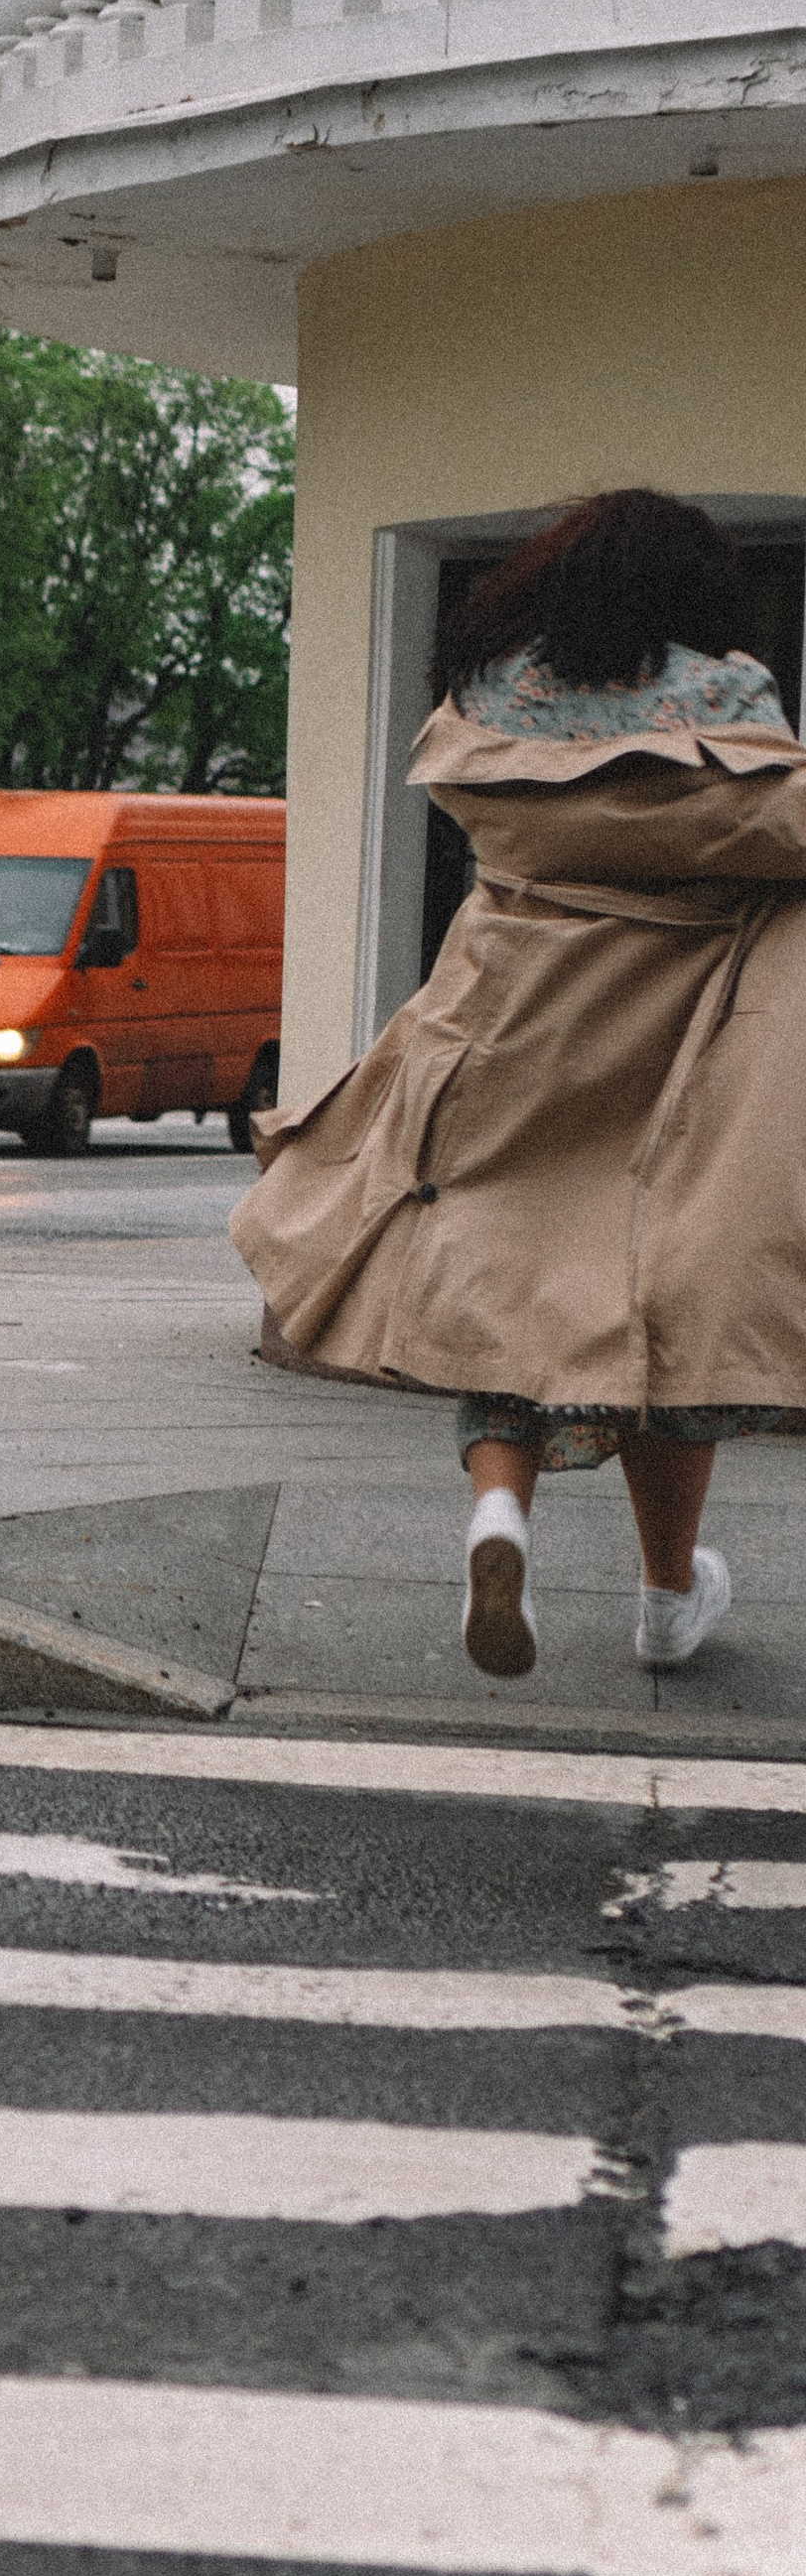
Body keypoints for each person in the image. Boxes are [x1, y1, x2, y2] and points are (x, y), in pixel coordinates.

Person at [233, 488, 806, 1684]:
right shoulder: (726, 697)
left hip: (506, 1035)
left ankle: (500, 1515)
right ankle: (665, 1597)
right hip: (670, 1058)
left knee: (502, 1298)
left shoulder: (493, 701)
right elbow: (780, 837)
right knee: (657, 1315)